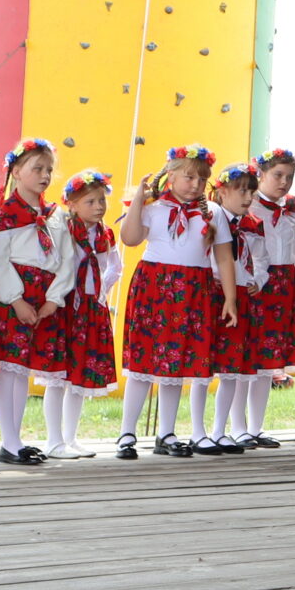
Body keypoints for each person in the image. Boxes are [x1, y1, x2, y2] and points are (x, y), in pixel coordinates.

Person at [116, 145, 235, 459]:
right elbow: (129, 238)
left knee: (176, 362)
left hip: (194, 290)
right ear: (170, 175)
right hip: (154, 287)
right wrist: (138, 200)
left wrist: (230, 299)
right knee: (143, 362)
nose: (196, 184)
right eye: (189, 177)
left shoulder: (213, 213)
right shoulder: (153, 208)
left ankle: (166, 432)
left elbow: (224, 258)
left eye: (202, 179)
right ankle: (127, 432)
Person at [0, 138, 62, 467]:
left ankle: (15, 439)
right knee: (10, 370)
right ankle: (10, 441)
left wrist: (54, 298)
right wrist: (16, 300)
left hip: (43, 296)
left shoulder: (53, 215)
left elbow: (64, 258)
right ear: (16, 172)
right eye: (37, 168)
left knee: (23, 371)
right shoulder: (6, 214)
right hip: (15, 296)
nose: (45, 175)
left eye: (49, 170)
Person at [42, 170, 119, 458]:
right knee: (58, 377)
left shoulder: (104, 234)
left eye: (102, 200)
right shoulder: (61, 230)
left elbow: (115, 267)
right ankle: (53, 440)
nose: (99, 207)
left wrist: (98, 292)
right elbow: (51, 263)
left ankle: (70, 438)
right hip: (65, 307)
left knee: (78, 378)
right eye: (90, 201)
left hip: (90, 308)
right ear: (72, 205)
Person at [241, 148, 295, 448]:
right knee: (247, 360)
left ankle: (256, 427)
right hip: (256, 284)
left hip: (283, 285)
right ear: (261, 174)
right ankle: (237, 426)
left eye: (289, 177)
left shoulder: (290, 208)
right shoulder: (249, 205)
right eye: (278, 175)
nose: (284, 182)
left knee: (268, 363)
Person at [209, 162, 268, 454]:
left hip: (241, 295)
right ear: (222, 191)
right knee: (205, 367)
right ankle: (198, 432)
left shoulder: (252, 224)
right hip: (214, 293)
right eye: (241, 191)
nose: (247, 197)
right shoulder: (210, 217)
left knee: (232, 368)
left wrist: (258, 279)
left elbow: (262, 258)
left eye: (251, 192)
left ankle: (220, 430)